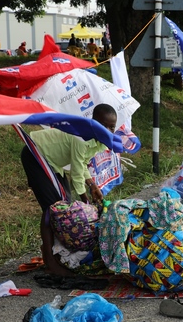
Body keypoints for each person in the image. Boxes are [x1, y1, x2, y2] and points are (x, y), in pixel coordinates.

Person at [20, 103, 115, 276]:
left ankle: (58, 255)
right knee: (54, 209)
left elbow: (82, 165)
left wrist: (92, 185)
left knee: (64, 206)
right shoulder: (82, 138)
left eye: (112, 126)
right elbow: (77, 173)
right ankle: (50, 260)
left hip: (53, 163)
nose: (108, 130)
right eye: (104, 125)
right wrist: (87, 204)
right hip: (37, 154)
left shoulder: (99, 142)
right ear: (94, 123)